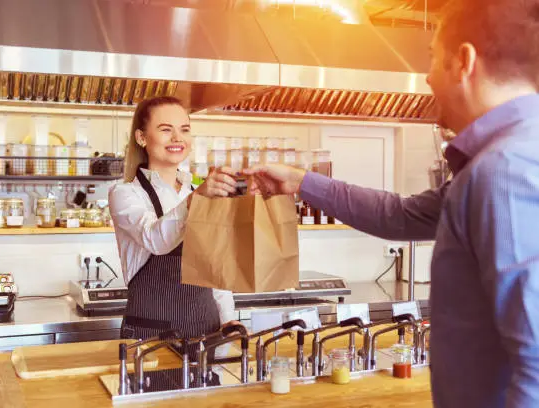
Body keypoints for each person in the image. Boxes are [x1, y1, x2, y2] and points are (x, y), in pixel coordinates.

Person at [246, 1, 539, 406]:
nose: (426, 76)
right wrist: (301, 181)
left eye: (434, 58)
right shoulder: (505, 159)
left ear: (464, 62)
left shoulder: (504, 170)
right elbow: (401, 216)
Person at [109, 96, 239, 345]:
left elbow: (215, 265)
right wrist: (196, 199)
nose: (178, 138)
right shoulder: (125, 194)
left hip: (206, 332)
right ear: (141, 138)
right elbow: (156, 240)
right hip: (151, 337)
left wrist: (228, 319)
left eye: (185, 129)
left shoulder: (198, 189)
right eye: (166, 130)